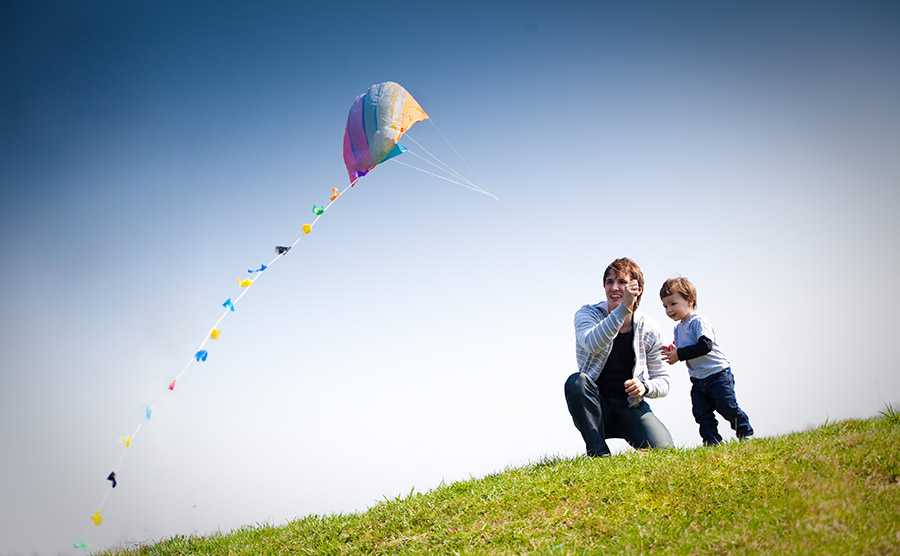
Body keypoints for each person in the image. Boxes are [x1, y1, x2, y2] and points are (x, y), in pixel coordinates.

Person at [565, 257, 674, 457]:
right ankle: (599, 454)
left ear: (637, 288)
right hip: (597, 407)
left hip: (630, 406)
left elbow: (664, 381)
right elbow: (591, 342)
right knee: (576, 382)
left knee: (665, 452)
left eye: (622, 282)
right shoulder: (587, 314)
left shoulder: (648, 328)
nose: (614, 287)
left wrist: (645, 387)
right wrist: (623, 308)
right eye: (609, 282)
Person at [659, 276, 753, 445]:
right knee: (701, 412)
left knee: (727, 407)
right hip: (698, 379)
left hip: (718, 375)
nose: (669, 309)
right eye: (665, 306)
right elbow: (682, 347)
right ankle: (711, 441)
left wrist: (679, 355)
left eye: (673, 304)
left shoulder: (698, 321)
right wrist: (672, 350)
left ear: (690, 300)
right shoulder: (678, 328)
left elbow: (705, 345)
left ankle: (745, 432)